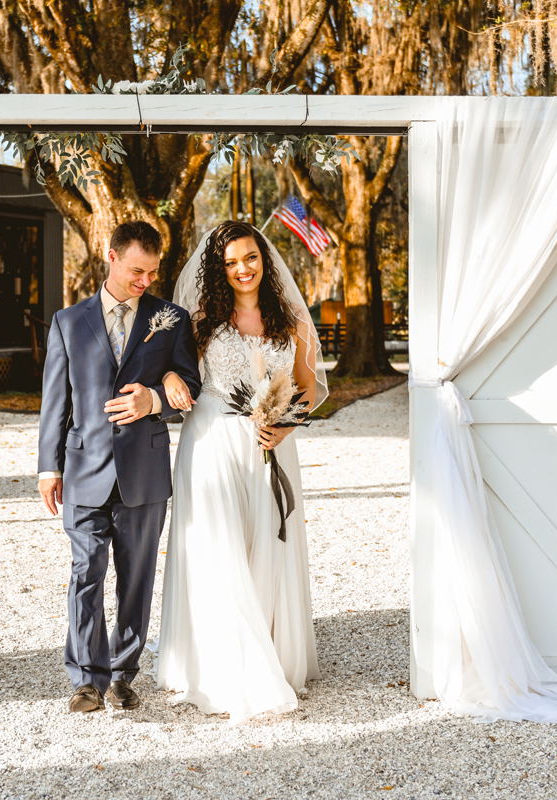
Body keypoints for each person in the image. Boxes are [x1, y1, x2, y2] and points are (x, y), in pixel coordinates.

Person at [154, 220, 326, 723]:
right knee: (220, 547)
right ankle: (223, 663)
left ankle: (270, 652)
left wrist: (284, 428)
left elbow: (308, 390)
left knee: (264, 548)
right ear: (218, 269)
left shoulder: (290, 317)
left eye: (249, 258)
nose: (242, 269)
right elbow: (170, 368)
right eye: (230, 262)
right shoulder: (202, 318)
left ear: (263, 259)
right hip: (210, 442)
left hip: (268, 443)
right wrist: (167, 377)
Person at [37, 220, 201, 713]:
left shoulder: (171, 318)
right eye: (136, 270)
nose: (144, 281)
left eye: (152, 272)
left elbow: (190, 388)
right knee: (85, 571)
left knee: (137, 577)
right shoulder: (68, 321)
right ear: (110, 256)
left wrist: (155, 399)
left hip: (144, 474)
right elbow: (54, 401)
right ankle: (87, 679)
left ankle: (124, 674)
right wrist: (49, 467)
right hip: (85, 468)